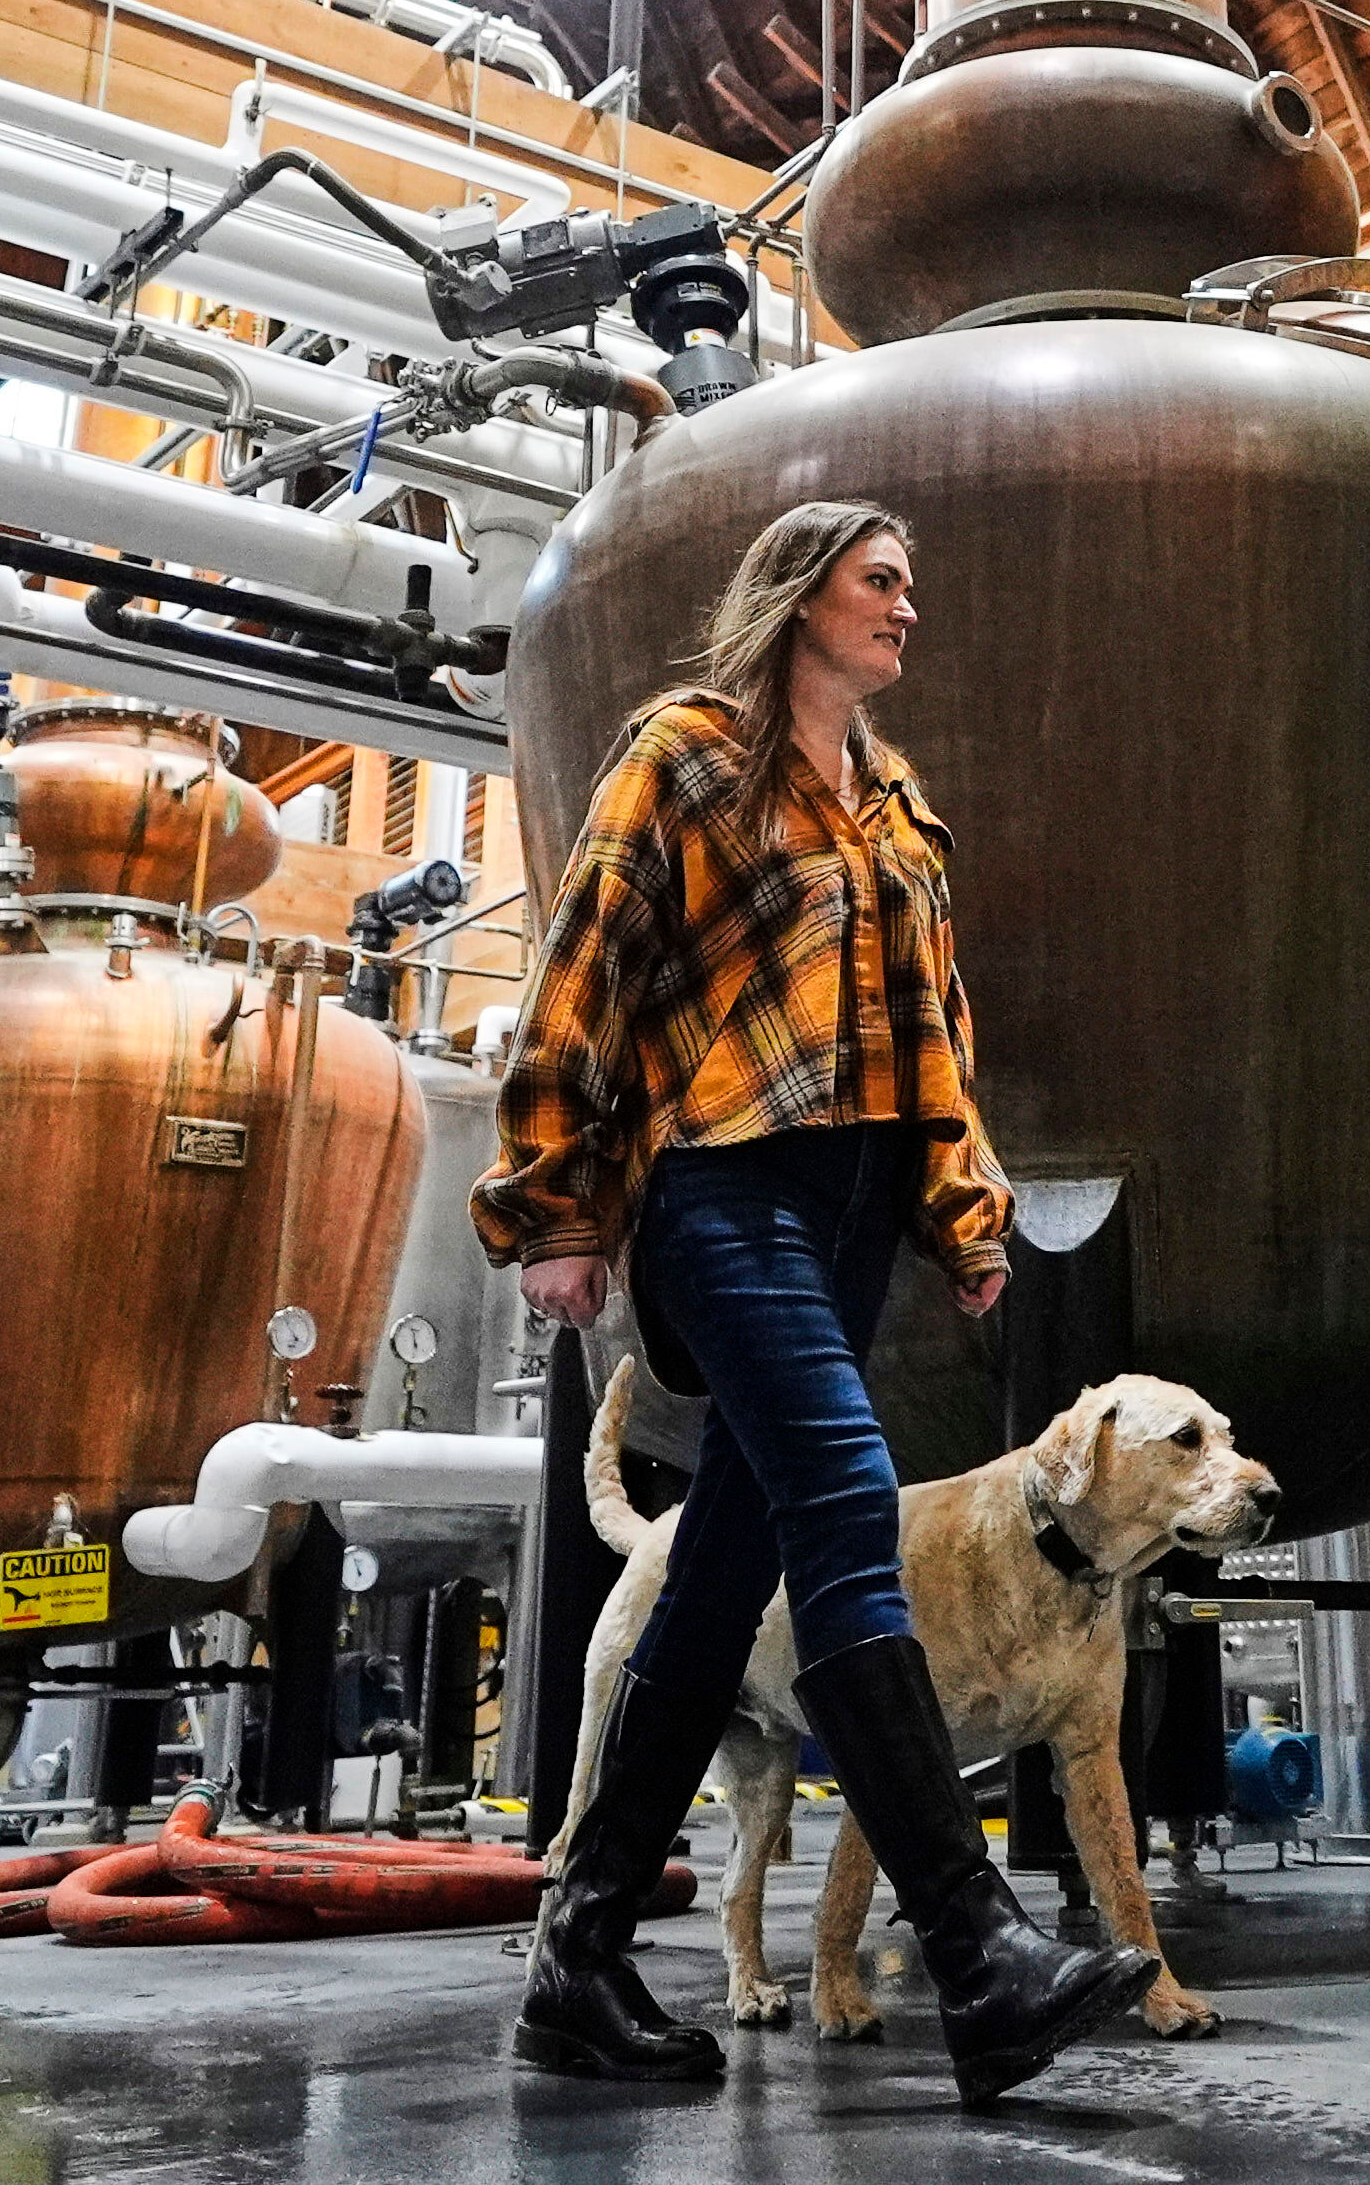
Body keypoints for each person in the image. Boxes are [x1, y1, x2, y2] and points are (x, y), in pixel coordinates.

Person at [472, 497, 1157, 2102]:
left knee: (725, 1570)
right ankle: (980, 1953)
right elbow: (583, 965)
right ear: (798, 595)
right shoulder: (690, 754)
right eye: (881, 580)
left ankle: (576, 1958)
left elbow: (935, 1035)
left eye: (911, 584)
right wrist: (556, 1202)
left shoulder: (898, 804)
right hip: (722, 1188)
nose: (909, 606)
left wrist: (964, 1210)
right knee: (849, 1500)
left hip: (847, 1216)